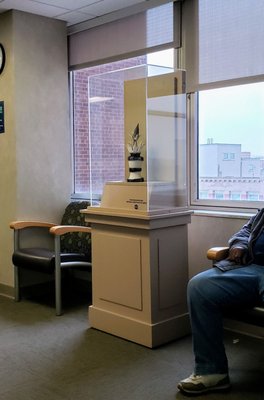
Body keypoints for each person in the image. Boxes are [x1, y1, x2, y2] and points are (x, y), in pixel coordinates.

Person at [177, 208, 264, 395]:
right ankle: (212, 371)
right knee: (199, 286)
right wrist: (239, 244)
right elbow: (246, 230)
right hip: (252, 268)